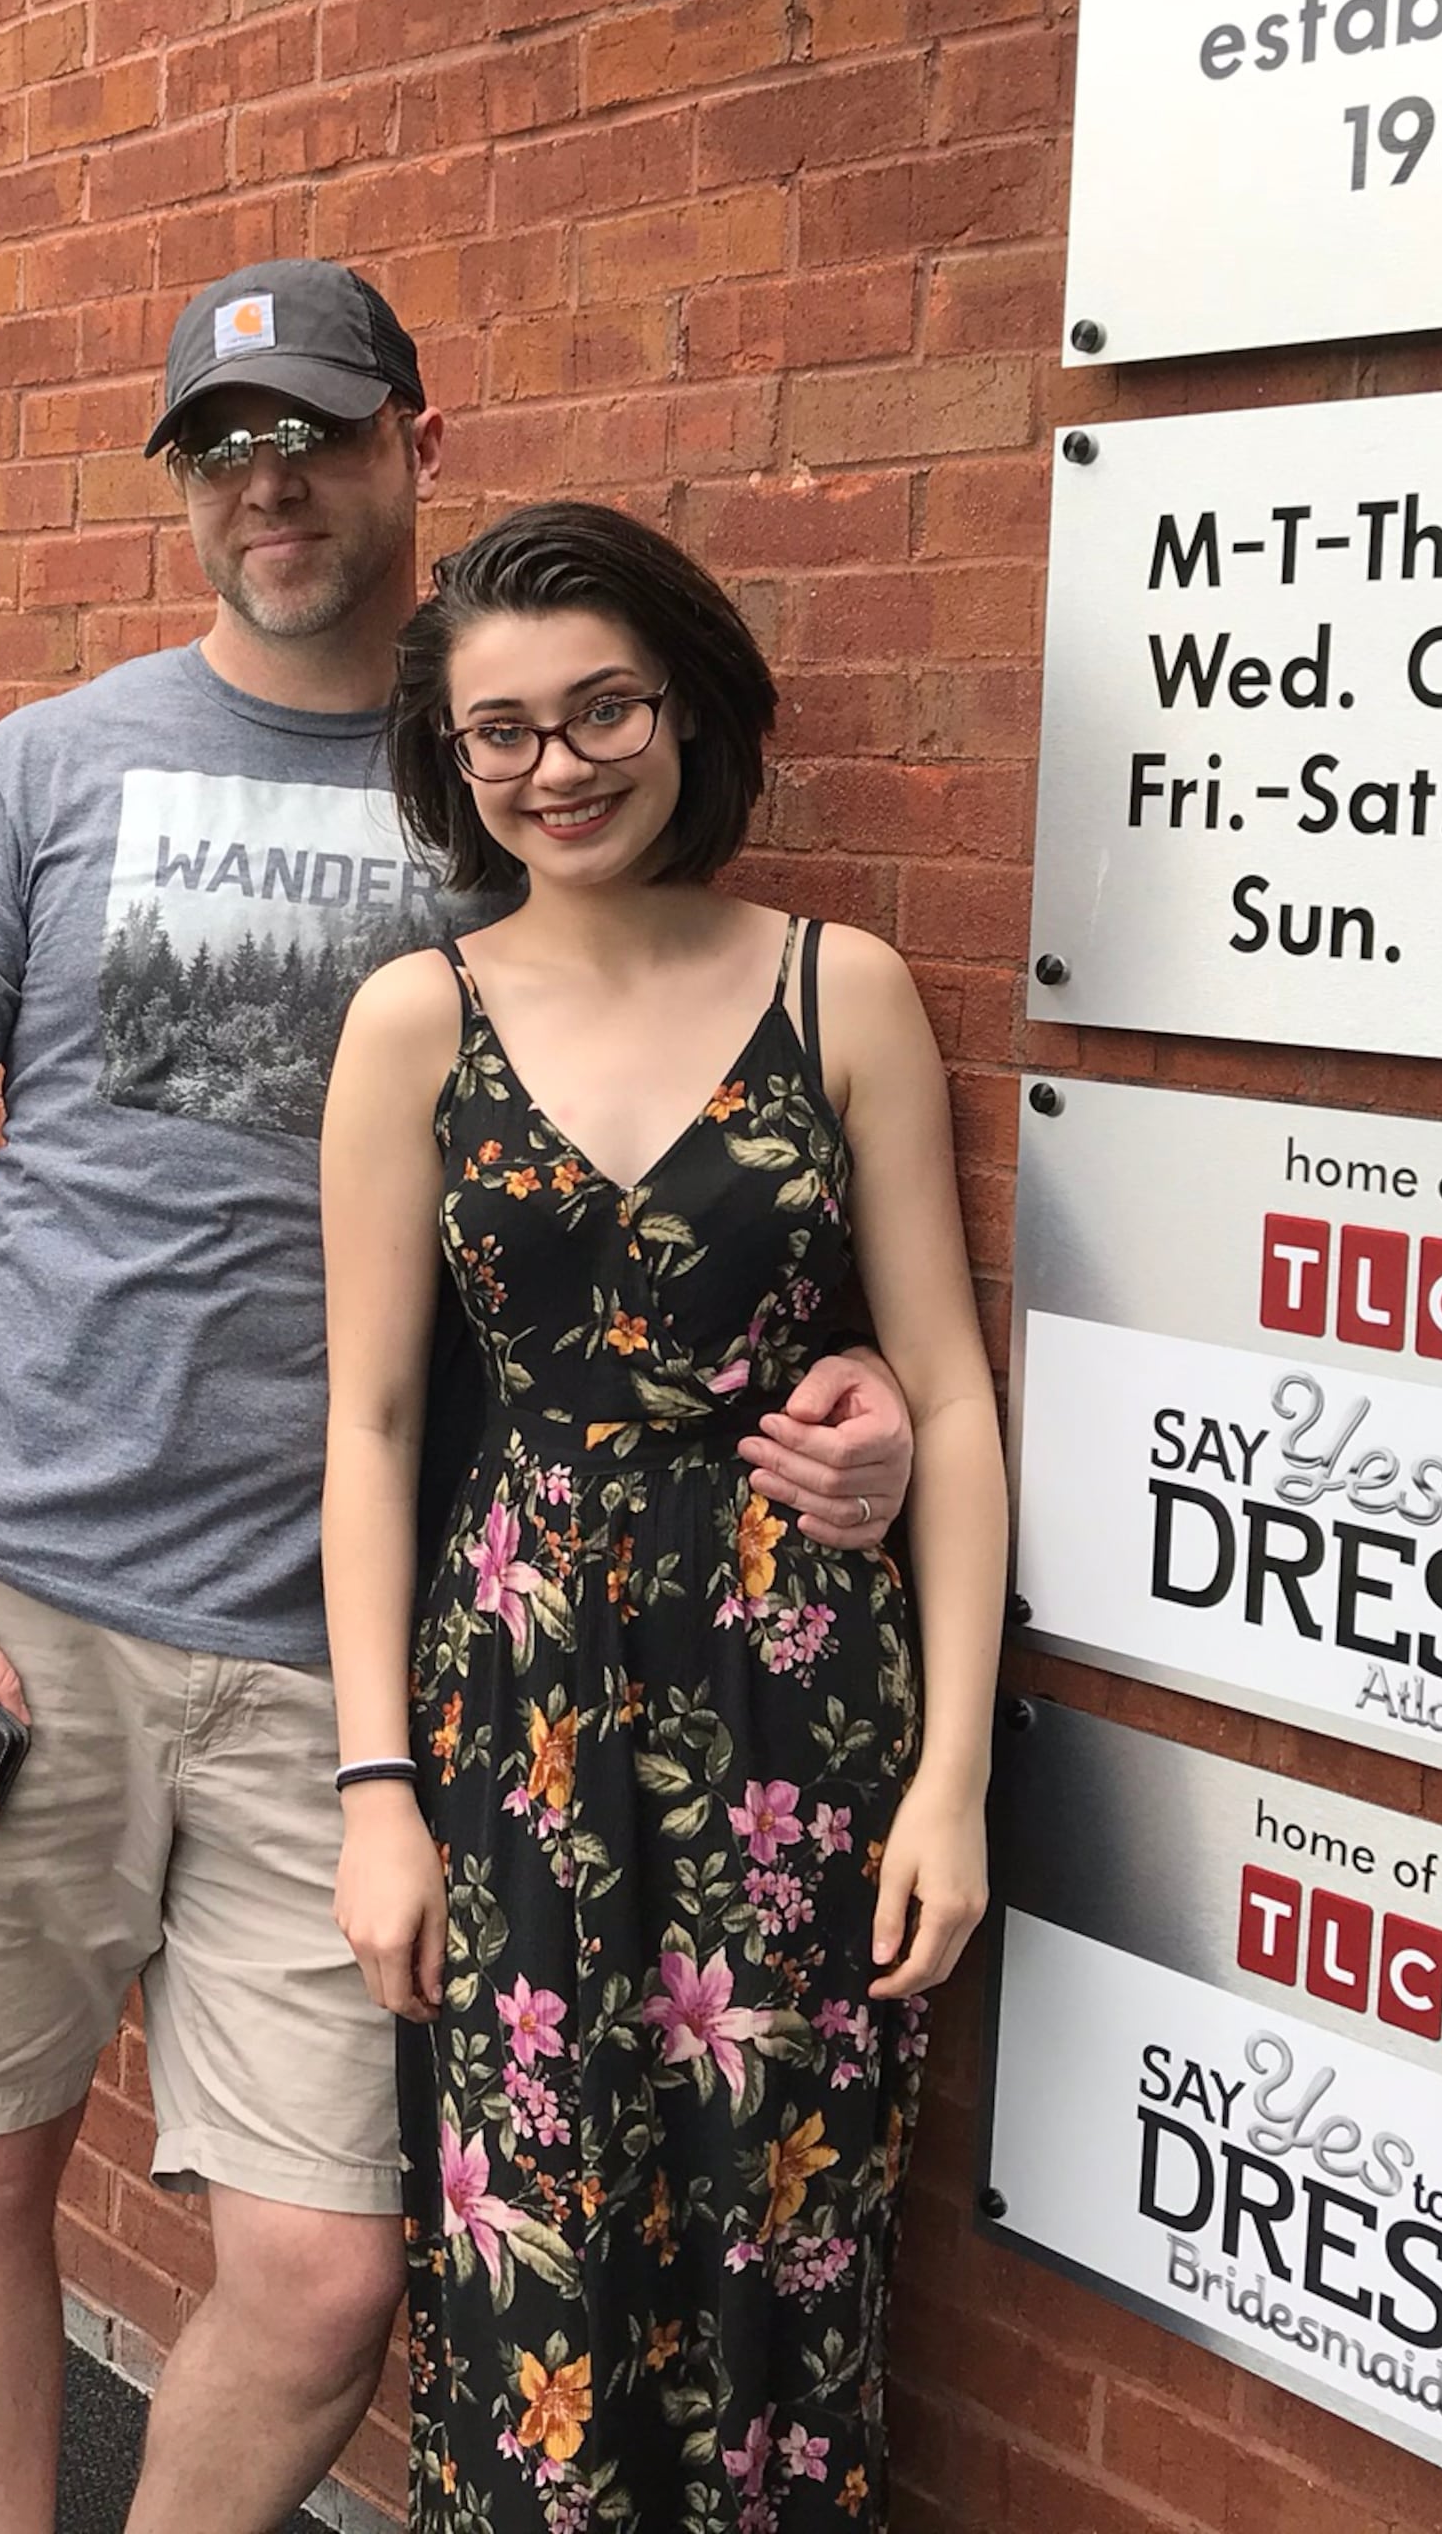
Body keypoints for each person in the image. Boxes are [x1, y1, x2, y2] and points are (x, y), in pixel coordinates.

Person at [0, 262, 919, 2534]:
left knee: (324, 2277)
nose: (267, 483)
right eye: (219, 447)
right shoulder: (44, 770)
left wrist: (847, 1379)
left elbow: (680, 1138)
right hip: (20, 1606)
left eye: (309, 430)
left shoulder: (520, 770)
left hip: (367, 1666)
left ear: (420, 434)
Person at [315, 501, 1010, 2531]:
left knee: (783, 2246)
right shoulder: (412, 1022)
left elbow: (950, 1401)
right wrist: (377, 1791)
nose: (562, 765)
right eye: (504, 731)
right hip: (515, 1721)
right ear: (452, 763)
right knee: (528, 2258)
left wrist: (951, 1783)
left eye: (606, 706)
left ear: (689, 710)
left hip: (802, 1723)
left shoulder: (839, 992)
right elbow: (365, 1427)